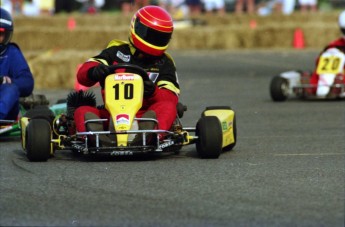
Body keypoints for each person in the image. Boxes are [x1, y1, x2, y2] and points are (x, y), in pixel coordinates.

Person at [74, 5, 180, 145]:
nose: (154, 41)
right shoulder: (116, 51)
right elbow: (82, 75)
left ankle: (149, 136)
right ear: (137, 28)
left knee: (168, 108)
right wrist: (94, 71)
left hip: (144, 115)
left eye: (160, 38)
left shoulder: (164, 63)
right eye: (151, 35)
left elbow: (171, 98)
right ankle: (96, 138)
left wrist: (154, 92)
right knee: (82, 111)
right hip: (112, 115)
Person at [0, 7, 34, 121]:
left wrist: (9, 81)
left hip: (4, 100)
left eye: (0, 33)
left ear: (6, 35)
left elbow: (27, 82)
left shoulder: (11, 52)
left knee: (11, 89)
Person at [309, 10, 345, 97]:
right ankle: (332, 85)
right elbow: (319, 62)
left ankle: (321, 86)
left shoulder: (334, 45)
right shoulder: (334, 47)